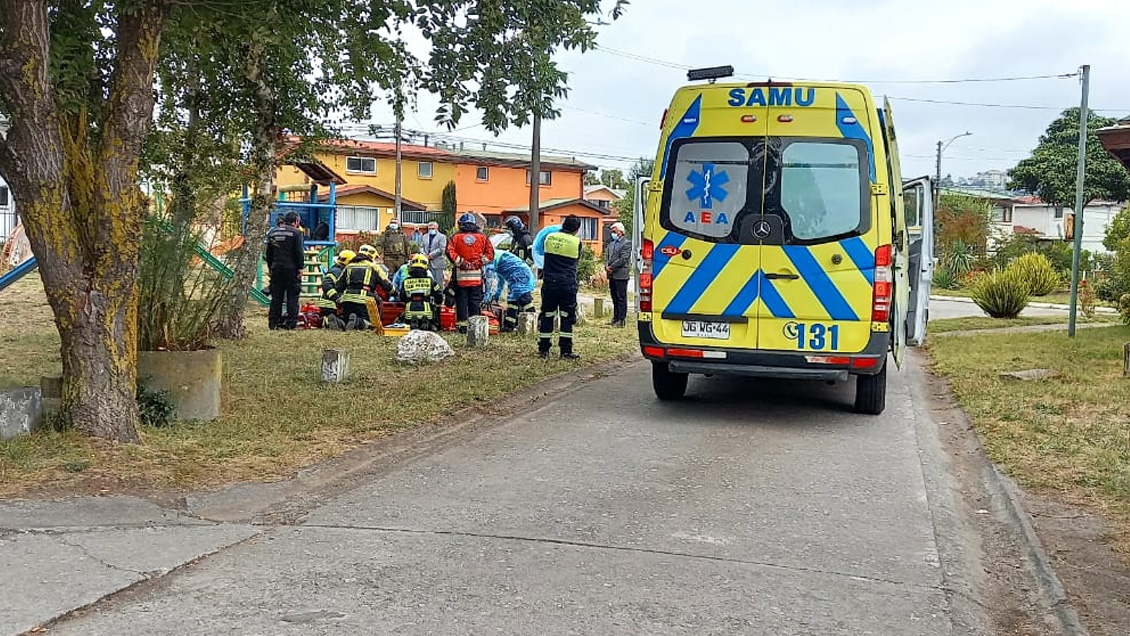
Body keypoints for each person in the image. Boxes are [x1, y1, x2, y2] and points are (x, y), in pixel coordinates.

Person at [538, 215, 583, 359]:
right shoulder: (576, 242)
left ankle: (543, 349)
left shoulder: (550, 237)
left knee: (547, 315)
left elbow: (541, 252)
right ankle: (565, 351)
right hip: (567, 284)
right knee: (567, 317)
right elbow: (576, 259)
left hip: (550, 283)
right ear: (576, 229)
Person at [446, 212, 494, 333]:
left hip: (460, 278)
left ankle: (462, 328)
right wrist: (477, 263)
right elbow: (490, 254)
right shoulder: (483, 237)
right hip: (476, 278)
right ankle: (476, 328)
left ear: (460, 224)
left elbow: (449, 252)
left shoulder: (455, 237)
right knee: (475, 302)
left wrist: (462, 263)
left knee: (461, 302)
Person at [334, 244, 393, 330]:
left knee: (346, 318)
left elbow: (338, 285)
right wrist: (395, 292)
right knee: (368, 322)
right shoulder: (374, 267)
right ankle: (359, 322)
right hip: (364, 301)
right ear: (371, 256)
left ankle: (340, 322)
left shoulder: (349, 266)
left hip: (347, 301)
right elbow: (387, 285)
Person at [265, 211, 305, 330]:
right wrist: (300, 268)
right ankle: (290, 323)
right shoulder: (297, 233)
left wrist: (270, 267)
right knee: (292, 296)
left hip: (276, 268)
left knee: (276, 297)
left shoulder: (273, 232)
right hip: (291, 269)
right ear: (296, 221)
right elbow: (299, 252)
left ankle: (273, 323)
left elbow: (268, 253)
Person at [484, 251, 537, 333]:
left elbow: (489, 280)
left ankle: (534, 323)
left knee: (524, 300)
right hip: (516, 276)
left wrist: (487, 296)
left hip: (521, 275)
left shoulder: (489, 258)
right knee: (512, 302)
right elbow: (500, 281)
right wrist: (496, 295)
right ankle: (509, 326)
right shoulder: (497, 259)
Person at [398, 253, 444, 330]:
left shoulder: (405, 281)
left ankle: (413, 321)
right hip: (427, 312)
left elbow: (402, 297)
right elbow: (439, 296)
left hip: (409, 312)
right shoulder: (430, 281)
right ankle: (426, 322)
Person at [317, 249, 354, 330]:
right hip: (331, 305)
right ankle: (327, 320)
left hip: (330, 305)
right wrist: (336, 298)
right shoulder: (337, 271)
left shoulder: (337, 269)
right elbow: (326, 284)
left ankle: (333, 321)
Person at [603, 221, 631, 327]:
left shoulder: (626, 243)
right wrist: (606, 266)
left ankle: (621, 319)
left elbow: (623, 258)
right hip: (612, 275)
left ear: (620, 231)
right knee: (614, 297)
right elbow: (606, 257)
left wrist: (611, 267)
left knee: (621, 298)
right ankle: (615, 318)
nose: (612, 233)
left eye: (614, 231)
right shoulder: (611, 244)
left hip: (621, 275)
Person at [422, 220, 447, 288]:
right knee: (428, 282)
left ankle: (439, 297)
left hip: (437, 263)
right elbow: (421, 247)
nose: (431, 230)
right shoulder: (424, 236)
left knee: (438, 282)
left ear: (437, 228)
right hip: (426, 263)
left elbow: (441, 249)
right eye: (429, 228)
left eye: (432, 228)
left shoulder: (442, 237)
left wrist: (430, 255)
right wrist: (424, 255)